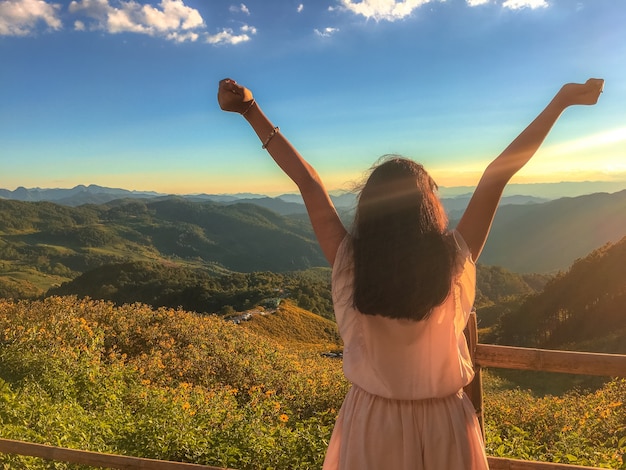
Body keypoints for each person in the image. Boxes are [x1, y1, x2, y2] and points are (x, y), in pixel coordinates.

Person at [217, 77, 604, 470]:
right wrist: (561, 102)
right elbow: (497, 174)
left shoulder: (350, 259)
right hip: (445, 425)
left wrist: (250, 110)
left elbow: (308, 181)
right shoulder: (452, 257)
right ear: (428, 207)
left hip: (370, 423)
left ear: (370, 208)